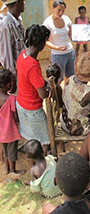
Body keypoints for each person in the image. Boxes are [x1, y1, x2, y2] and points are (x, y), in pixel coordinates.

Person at [16, 24, 52, 156]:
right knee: (45, 141)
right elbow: (42, 94)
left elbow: (30, 79)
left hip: (21, 104)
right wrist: (49, 89)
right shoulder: (33, 65)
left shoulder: (23, 55)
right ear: (42, 44)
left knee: (32, 140)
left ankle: (34, 165)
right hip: (32, 110)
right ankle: (43, 168)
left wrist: (43, 82)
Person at [0, 68, 25, 175]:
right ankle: (13, 171)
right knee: (12, 153)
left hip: (1, 131)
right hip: (10, 131)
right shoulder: (11, 99)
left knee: (5, 151)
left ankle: (6, 169)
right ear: (8, 84)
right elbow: (15, 116)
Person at [43, 0, 75, 83]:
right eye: (59, 10)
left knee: (70, 78)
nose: (61, 12)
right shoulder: (47, 23)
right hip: (58, 55)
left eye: (63, 10)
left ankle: (67, 94)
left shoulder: (67, 19)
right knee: (57, 80)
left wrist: (80, 37)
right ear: (52, 8)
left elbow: (71, 35)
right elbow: (46, 41)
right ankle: (56, 95)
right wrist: (57, 48)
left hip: (70, 52)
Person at [0, 0, 29, 74]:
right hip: (17, 76)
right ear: (17, 3)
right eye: (22, 2)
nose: (24, 4)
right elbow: (7, 60)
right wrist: (13, 81)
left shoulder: (18, 22)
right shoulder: (5, 26)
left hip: (23, 71)